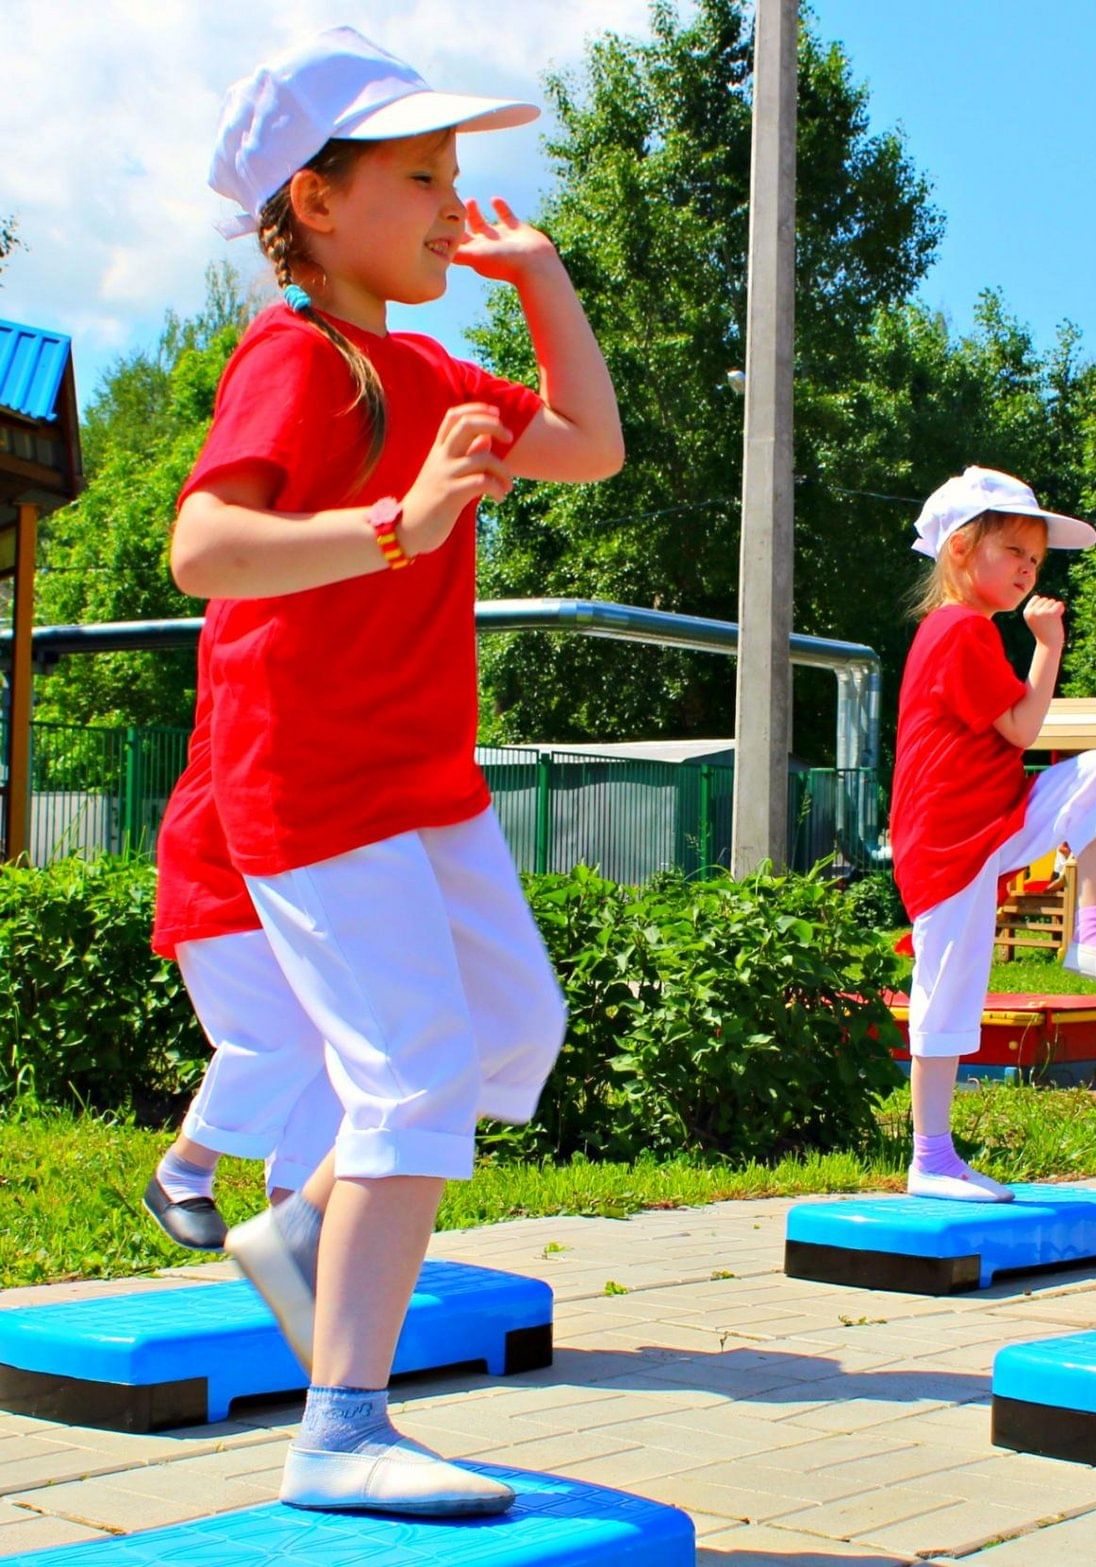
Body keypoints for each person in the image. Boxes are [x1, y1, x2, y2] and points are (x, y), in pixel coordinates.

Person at [172, 27, 622, 1515]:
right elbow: (205, 548)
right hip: (313, 780)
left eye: (458, 176)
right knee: (415, 1075)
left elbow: (588, 447)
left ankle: (304, 1230)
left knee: (513, 1029)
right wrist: (392, 525)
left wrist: (543, 277)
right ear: (313, 202)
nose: (450, 203)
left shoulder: (424, 363)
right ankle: (342, 1424)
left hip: (425, 776)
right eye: (421, 176)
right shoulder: (295, 356)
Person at [892, 467, 1096, 1202]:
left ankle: (1090, 932)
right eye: (1015, 553)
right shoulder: (959, 629)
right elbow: (1024, 726)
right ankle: (931, 1158)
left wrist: (1044, 642)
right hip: (948, 841)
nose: (1029, 571)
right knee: (947, 989)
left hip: (993, 817)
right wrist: (1047, 643)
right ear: (962, 549)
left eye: (1036, 561)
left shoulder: (966, 630)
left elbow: (1016, 733)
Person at [146, 630, 340, 1251]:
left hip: (287, 868)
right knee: (280, 1035)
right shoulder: (258, 627)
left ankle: (294, 1225)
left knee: (330, 1041)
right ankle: (183, 1169)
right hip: (218, 859)